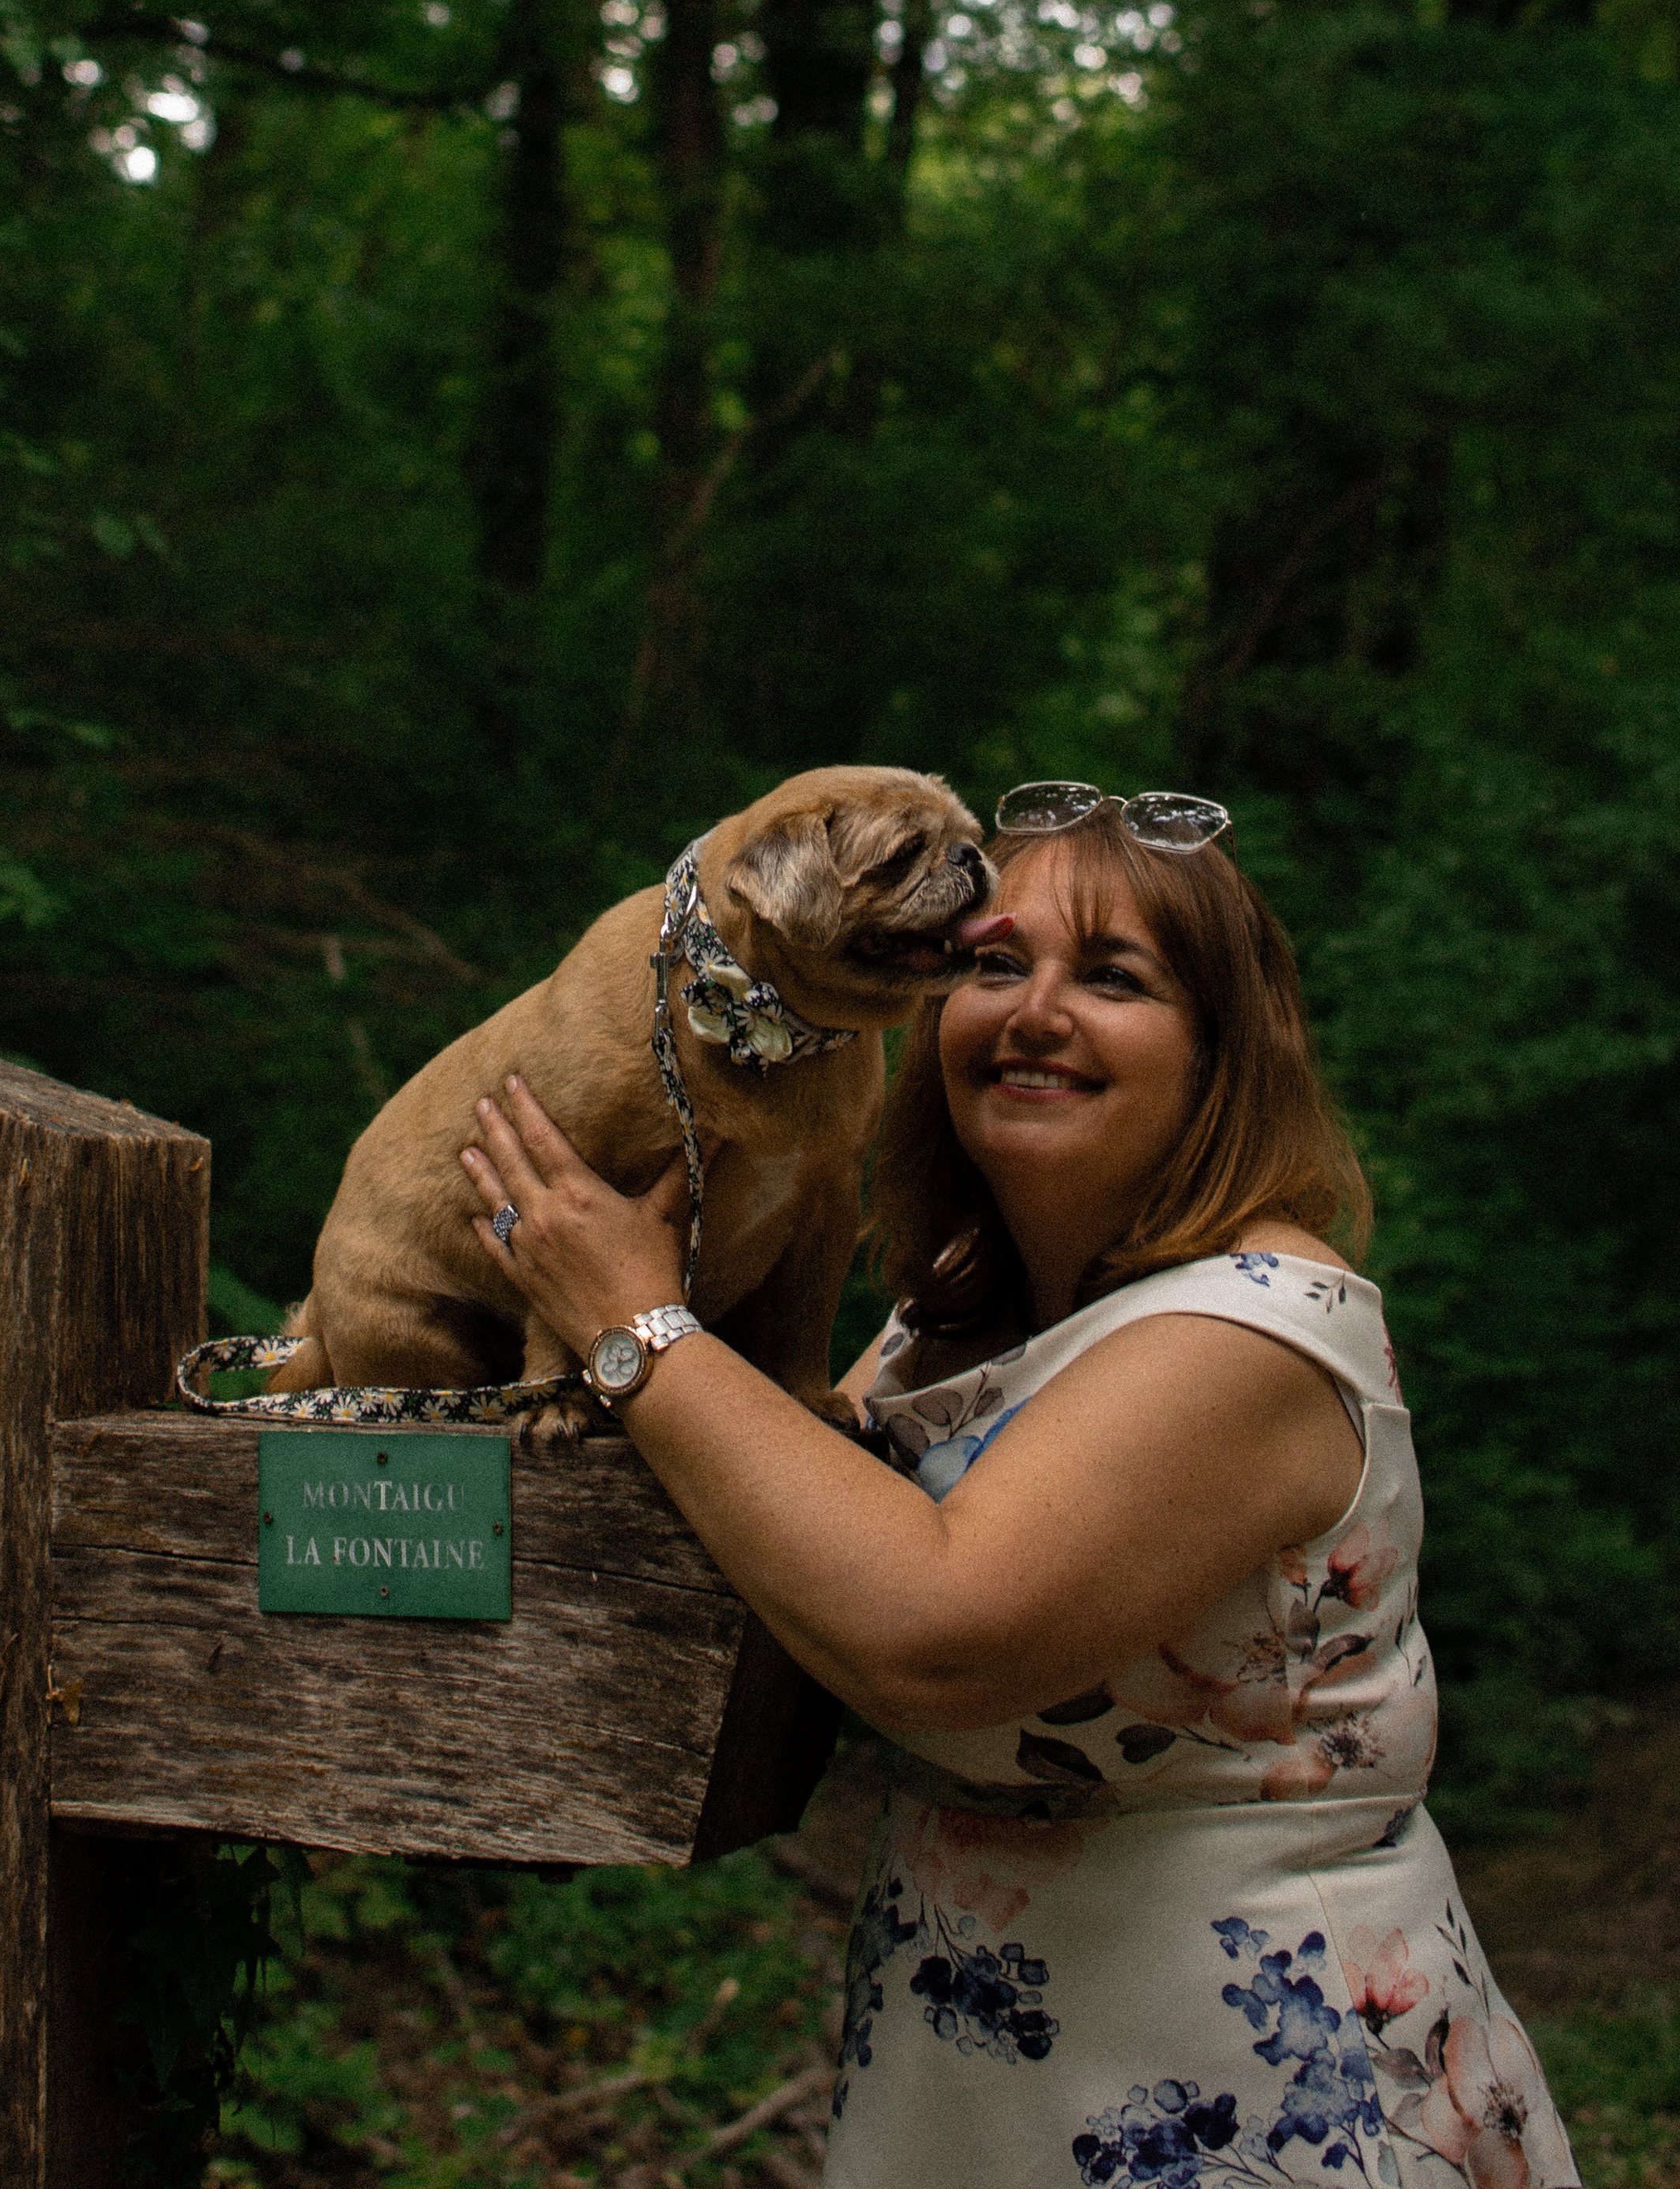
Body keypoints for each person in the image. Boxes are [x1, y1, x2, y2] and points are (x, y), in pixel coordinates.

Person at [458, 786, 1579, 2189]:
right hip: (972, 2067)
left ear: (1224, 1051)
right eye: (995, 963)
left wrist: (631, 1320)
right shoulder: (951, 1318)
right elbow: (775, 1523)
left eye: (1111, 978)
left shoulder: (1254, 1331)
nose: (1034, 1009)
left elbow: (939, 1625)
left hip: (1257, 2102)